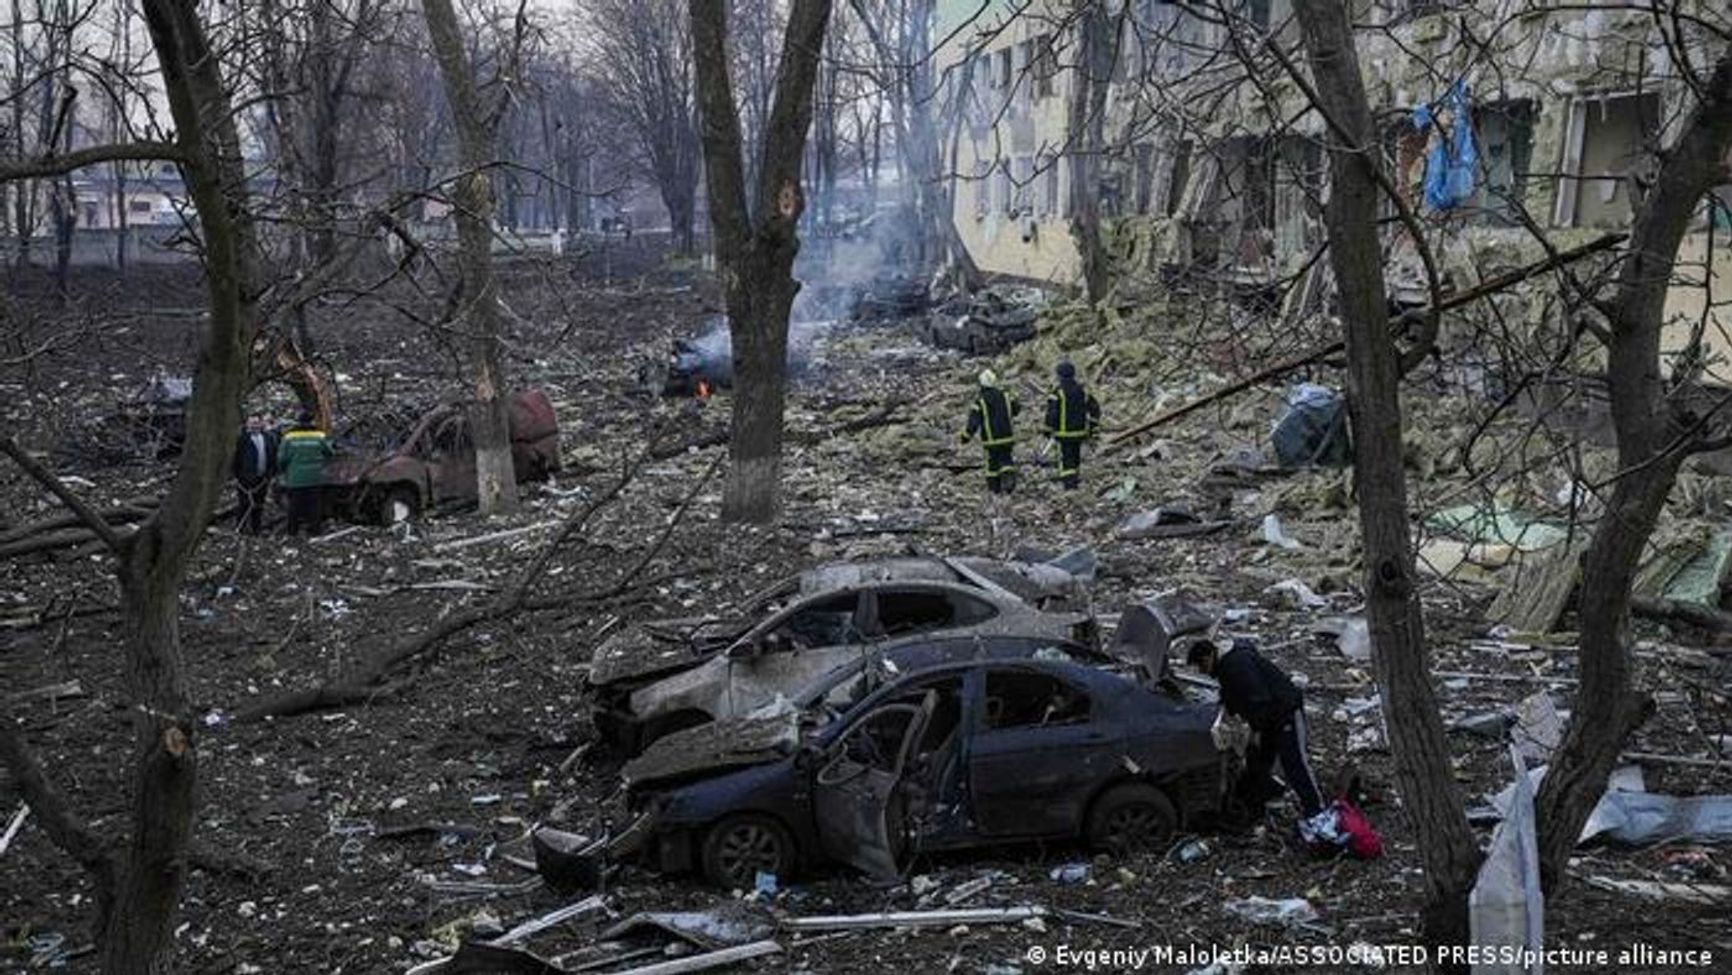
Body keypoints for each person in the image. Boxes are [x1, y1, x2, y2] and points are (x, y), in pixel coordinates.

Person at [1187, 636, 1328, 830]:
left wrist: (1255, 730)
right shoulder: (1228, 663)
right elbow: (1233, 696)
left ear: (1208, 657)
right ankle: (1263, 795)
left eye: (1202, 667)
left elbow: (1258, 698)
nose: (1204, 672)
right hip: (1269, 717)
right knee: (1260, 760)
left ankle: (1317, 811)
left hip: (1285, 711)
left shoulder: (1236, 666)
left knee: (1295, 762)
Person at [1043, 360, 1101, 490]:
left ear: (1059, 376)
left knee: (1066, 460)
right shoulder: (1082, 391)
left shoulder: (1058, 393)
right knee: (1075, 457)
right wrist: (1093, 428)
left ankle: (1070, 486)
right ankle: (1075, 480)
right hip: (1079, 433)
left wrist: (1047, 430)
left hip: (1063, 434)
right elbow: (1095, 408)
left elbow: (1052, 414)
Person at [960, 369, 1019, 494]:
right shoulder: (1006, 396)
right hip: (1007, 437)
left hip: (991, 439)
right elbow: (1016, 409)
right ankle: (1008, 478)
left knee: (992, 464)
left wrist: (965, 437)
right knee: (1006, 458)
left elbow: (973, 422)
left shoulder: (980, 402)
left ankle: (994, 488)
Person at [277, 411, 334, 536]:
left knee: (294, 508)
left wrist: (283, 470)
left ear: (298, 421)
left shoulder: (289, 437)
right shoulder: (319, 435)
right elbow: (330, 452)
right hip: (315, 477)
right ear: (311, 421)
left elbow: (281, 459)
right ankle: (314, 532)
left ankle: (292, 532)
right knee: (314, 507)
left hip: (295, 479)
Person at [232, 414, 279, 534]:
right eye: (252, 423)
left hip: (262, 479)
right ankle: (241, 528)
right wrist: (236, 476)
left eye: (256, 423)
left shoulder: (268, 438)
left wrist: (271, 474)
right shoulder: (242, 439)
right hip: (245, 479)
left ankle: (256, 529)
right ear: (247, 425)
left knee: (259, 504)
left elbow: (273, 456)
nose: (254, 425)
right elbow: (235, 459)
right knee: (244, 504)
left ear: (261, 424)